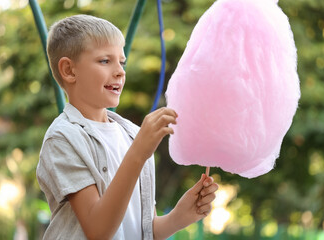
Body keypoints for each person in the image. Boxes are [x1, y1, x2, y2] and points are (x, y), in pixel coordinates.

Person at [36, 14, 219, 240]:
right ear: (69, 70)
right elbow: (98, 231)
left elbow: (142, 230)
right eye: (105, 61)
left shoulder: (132, 135)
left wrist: (179, 217)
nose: (120, 71)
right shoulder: (63, 138)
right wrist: (138, 153)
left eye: (121, 62)